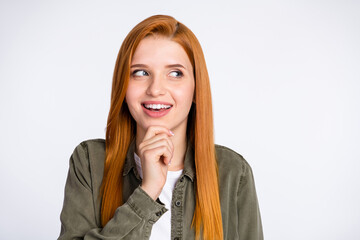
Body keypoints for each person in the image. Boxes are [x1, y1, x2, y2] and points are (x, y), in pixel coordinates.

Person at [58, 15, 263, 240]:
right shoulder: (90, 162)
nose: (156, 89)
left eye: (175, 73)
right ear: (123, 85)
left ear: (196, 88)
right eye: (140, 72)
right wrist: (147, 192)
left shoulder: (234, 172)